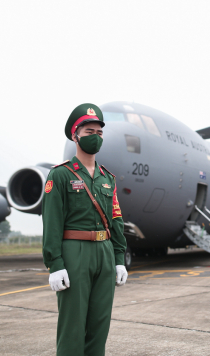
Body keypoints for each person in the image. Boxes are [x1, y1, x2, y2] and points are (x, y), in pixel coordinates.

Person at [42, 103, 128, 356]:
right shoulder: (59, 175)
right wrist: (55, 263)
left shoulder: (107, 178)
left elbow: (116, 219)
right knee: (73, 325)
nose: (95, 137)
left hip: (104, 251)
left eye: (99, 133)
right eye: (89, 132)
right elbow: (52, 222)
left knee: (100, 325)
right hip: (74, 252)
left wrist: (119, 258)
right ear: (75, 135)